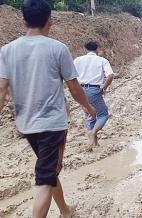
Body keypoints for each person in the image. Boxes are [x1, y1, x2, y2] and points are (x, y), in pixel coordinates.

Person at [0, 0, 96, 217]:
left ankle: (65, 210)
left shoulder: (6, 51)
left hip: (26, 125)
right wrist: (89, 108)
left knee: (49, 170)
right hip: (52, 125)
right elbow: (74, 88)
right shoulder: (58, 48)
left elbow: (1, 91)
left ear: (23, 19)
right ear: (49, 21)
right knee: (45, 177)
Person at [74, 41, 114, 150]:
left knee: (90, 115)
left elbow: (70, 76)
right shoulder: (102, 60)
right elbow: (110, 75)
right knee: (103, 114)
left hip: (80, 90)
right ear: (97, 49)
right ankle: (93, 133)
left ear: (85, 49)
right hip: (94, 90)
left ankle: (94, 143)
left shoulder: (77, 60)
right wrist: (104, 88)